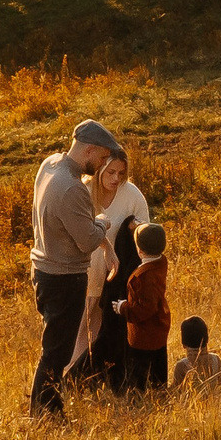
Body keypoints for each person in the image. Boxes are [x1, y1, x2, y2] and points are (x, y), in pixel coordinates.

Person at [26, 119, 124, 417]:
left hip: (43, 269)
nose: (104, 164)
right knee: (57, 352)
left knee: (54, 346)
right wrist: (103, 222)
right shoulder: (72, 189)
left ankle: (47, 408)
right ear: (90, 151)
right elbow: (87, 241)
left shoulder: (50, 164)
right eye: (103, 158)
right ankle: (45, 414)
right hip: (64, 278)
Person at [70, 151, 149, 391]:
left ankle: (100, 379)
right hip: (83, 273)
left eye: (121, 173)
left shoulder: (132, 195)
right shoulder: (82, 191)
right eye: (111, 172)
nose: (116, 178)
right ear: (100, 169)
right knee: (80, 326)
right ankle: (72, 379)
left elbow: (145, 233)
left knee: (106, 327)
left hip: (116, 277)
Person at [115, 221, 171, 393]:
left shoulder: (143, 277)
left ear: (139, 250)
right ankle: (160, 391)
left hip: (143, 334)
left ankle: (137, 396)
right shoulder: (161, 262)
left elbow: (144, 309)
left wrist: (123, 307)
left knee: (139, 370)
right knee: (158, 364)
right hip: (159, 328)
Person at [172, 315, 221, 396]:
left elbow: (176, 392)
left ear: (183, 344)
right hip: (213, 404)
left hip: (192, 407)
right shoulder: (215, 359)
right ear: (207, 339)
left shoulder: (182, 366)